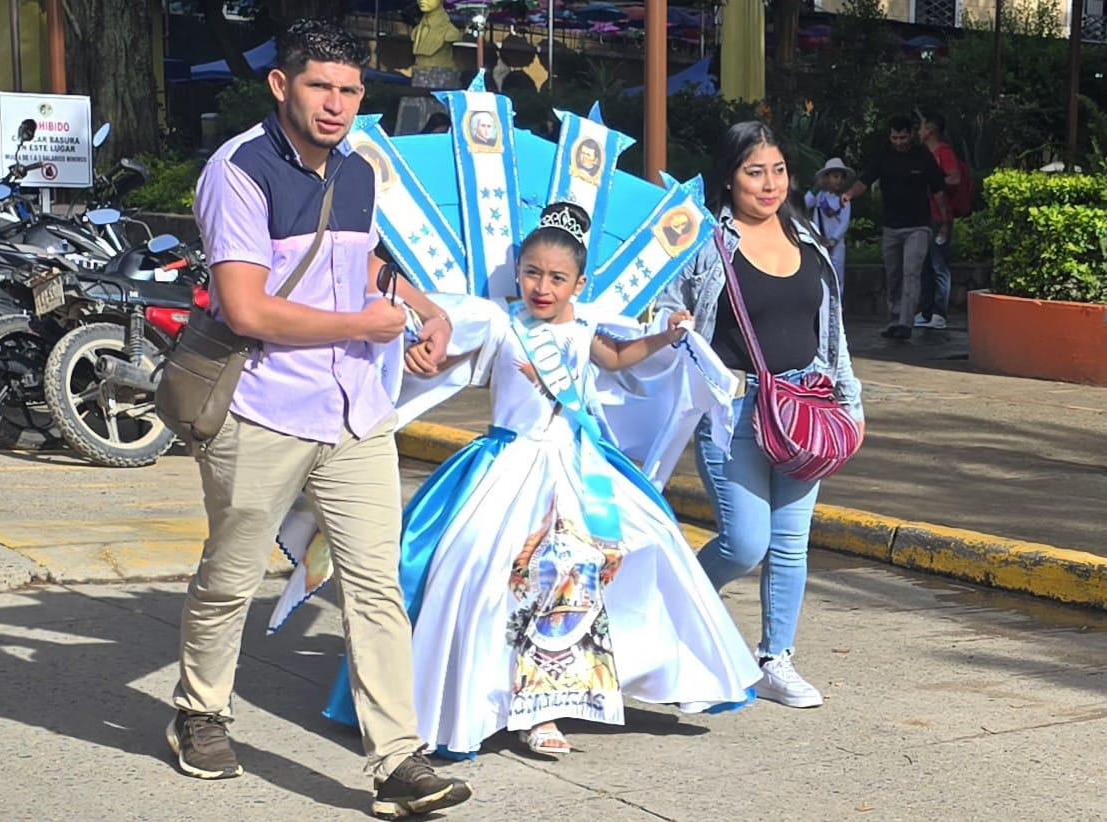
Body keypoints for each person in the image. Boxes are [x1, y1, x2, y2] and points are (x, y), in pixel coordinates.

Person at [291, 202, 762, 761]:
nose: (543, 286)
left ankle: (567, 697)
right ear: (518, 272)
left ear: (578, 284)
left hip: (577, 466)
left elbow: (616, 359)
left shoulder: (585, 328)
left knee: (623, 553)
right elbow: (450, 361)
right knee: (475, 569)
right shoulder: (500, 322)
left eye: (557, 278)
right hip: (506, 467)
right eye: (533, 272)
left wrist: (664, 337)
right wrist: (422, 357)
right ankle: (472, 697)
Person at [167, 19, 470, 820]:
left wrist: (425, 309)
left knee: (376, 584)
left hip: (355, 410)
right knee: (232, 574)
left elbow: (360, 261)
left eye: (349, 90)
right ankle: (199, 711)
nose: (336, 104)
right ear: (281, 86)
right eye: (319, 87)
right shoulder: (240, 171)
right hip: (263, 406)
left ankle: (398, 760)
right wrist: (362, 326)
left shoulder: (357, 169)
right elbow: (246, 307)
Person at [660, 121, 865, 709]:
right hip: (734, 409)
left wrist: (850, 401)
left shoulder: (808, 240)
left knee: (790, 545)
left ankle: (775, 660)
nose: (770, 184)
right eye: (755, 172)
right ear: (729, 178)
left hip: (808, 405)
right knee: (746, 542)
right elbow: (667, 302)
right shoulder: (706, 242)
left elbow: (832, 331)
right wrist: (672, 322)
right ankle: (676, 626)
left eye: (778, 170)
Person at [845, 115, 950, 341]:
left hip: (918, 226)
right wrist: (848, 195)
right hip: (891, 227)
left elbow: (939, 191)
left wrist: (945, 221)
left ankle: (905, 323)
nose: (899, 142)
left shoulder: (923, 157)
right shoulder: (883, 156)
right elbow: (865, 180)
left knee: (911, 273)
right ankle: (894, 318)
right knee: (893, 275)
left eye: (903, 137)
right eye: (895, 138)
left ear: (911, 135)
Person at [915, 111, 962, 331]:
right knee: (926, 265)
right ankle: (926, 311)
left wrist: (934, 183)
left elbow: (955, 177)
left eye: (921, 127)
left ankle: (939, 313)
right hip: (925, 215)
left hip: (939, 217)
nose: (919, 132)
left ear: (930, 130)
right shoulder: (926, 154)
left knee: (939, 264)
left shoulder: (944, 153)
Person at [804, 157, 854, 293]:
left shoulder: (844, 199)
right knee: (819, 275)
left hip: (836, 245)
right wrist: (816, 188)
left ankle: (837, 303)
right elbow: (804, 204)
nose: (839, 180)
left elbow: (844, 222)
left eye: (841, 177)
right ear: (827, 178)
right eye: (835, 176)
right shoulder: (820, 196)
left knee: (837, 276)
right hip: (819, 241)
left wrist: (833, 240)